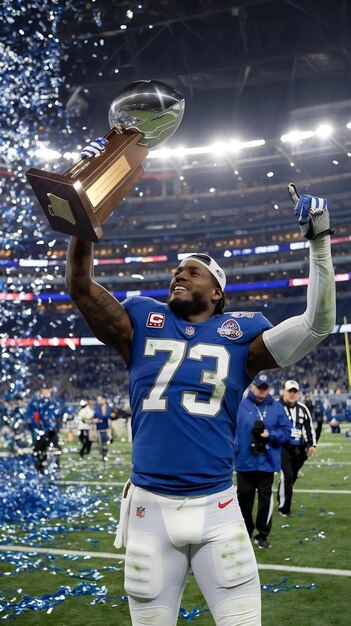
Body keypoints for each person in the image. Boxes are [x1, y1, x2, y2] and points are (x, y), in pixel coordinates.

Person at [66, 160, 335, 626]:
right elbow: (81, 286)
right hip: (150, 510)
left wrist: (320, 245)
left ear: (217, 294)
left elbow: (317, 324)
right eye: (176, 270)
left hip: (218, 508)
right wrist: (82, 222)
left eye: (192, 272)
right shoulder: (142, 323)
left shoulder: (239, 338)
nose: (179, 275)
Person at [234, 374, 291, 549]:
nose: (262, 391)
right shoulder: (240, 405)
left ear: (269, 389)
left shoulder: (276, 407)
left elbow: (287, 431)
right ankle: (246, 530)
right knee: (243, 499)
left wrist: (270, 435)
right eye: (259, 387)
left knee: (265, 501)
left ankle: (262, 534)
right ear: (252, 387)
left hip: (267, 462)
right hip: (245, 462)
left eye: (265, 388)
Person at [277, 380, 317, 517]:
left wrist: (312, 445)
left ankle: (281, 498)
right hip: (282, 447)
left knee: (291, 477)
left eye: (295, 391)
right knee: (287, 476)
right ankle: (284, 508)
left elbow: (309, 427)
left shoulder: (303, 408)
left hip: (298, 449)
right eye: (290, 391)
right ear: (284, 391)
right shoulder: (276, 407)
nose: (292, 394)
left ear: (298, 393)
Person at [27, 384, 64, 473]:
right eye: (45, 390)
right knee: (39, 449)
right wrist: (38, 428)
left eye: (48, 390)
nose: (47, 391)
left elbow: (59, 416)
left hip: (52, 431)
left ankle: (55, 467)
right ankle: (40, 467)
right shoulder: (39, 403)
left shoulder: (55, 403)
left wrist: (57, 427)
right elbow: (35, 417)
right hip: (43, 431)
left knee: (55, 449)